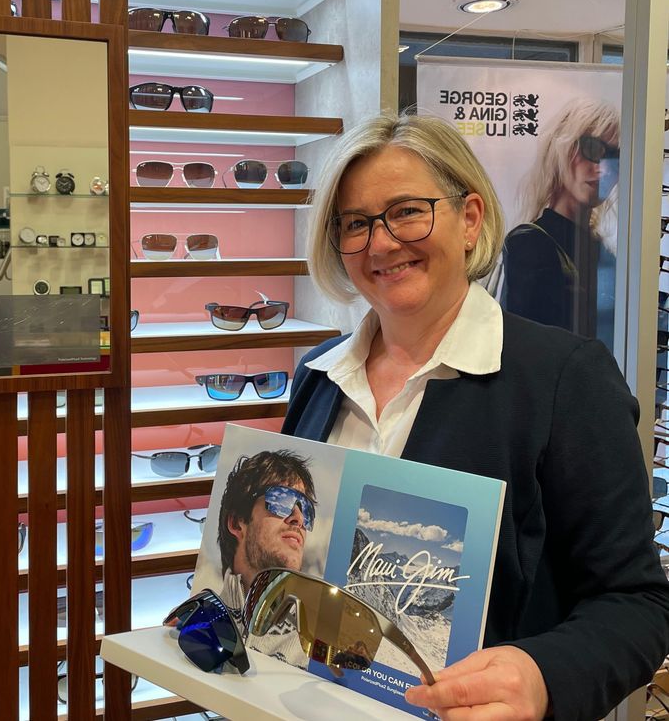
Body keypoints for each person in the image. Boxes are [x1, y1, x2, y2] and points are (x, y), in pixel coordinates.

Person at [282, 112, 669, 721]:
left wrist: (542, 676)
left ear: (469, 219)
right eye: (356, 223)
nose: (381, 243)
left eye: (407, 211)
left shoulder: (565, 380)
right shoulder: (318, 374)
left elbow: (637, 603)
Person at [501, 98, 620, 342]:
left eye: (614, 157)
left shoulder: (602, 251)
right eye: (592, 149)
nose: (604, 169)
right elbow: (528, 348)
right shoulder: (530, 245)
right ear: (563, 149)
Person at [216, 449, 317, 668]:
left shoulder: (318, 647)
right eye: (281, 500)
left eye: (306, 510)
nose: (298, 519)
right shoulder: (201, 621)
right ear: (236, 523)